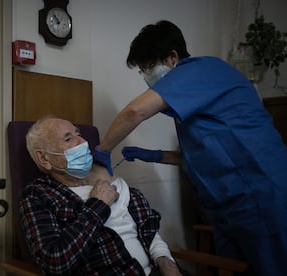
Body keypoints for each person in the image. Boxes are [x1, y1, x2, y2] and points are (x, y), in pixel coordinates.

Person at [93, 20, 287, 276]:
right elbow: (202, 156)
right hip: (226, 208)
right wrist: (153, 156)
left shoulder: (200, 69)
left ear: (173, 57)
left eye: (148, 67)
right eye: (142, 71)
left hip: (260, 195)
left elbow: (135, 111)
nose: (147, 77)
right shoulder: (192, 99)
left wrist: (103, 150)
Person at [21, 116, 182, 275]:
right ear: (44, 158)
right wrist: (98, 205)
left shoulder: (108, 178)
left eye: (78, 134)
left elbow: (147, 229)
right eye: (68, 139)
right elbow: (56, 263)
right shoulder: (38, 196)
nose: (83, 142)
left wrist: (166, 261)